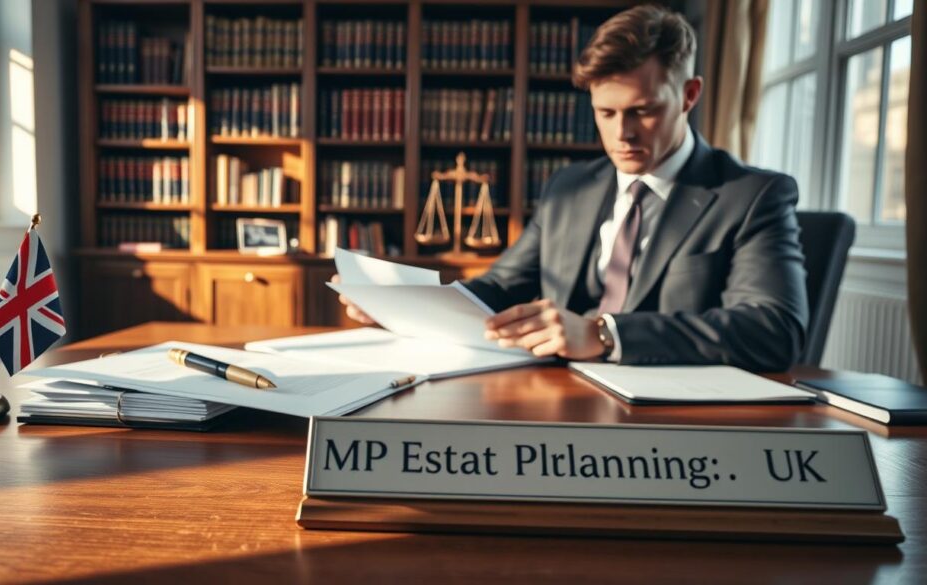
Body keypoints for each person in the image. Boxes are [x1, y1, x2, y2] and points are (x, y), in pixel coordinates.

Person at [340, 5, 808, 372]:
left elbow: (774, 329)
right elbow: (502, 287)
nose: (622, 133)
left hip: (678, 421)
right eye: (606, 113)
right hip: (555, 396)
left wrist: (604, 334)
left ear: (689, 95)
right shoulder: (569, 187)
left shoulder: (753, 196)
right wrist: (406, 307)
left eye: (642, 110)